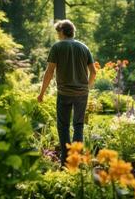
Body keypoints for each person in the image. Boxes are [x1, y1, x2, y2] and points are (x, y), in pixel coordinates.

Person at [37, 19, 96, 166]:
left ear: (62, 32)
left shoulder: (57, 47)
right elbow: (93, 72)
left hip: (64, 93)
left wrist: (41, 93)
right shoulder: (84, 47)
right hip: (82, 93)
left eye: (58, 32)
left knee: (63, 126)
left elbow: (49, 72)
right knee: (78, 125)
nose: (57, 35)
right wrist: (86, 88)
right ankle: (76, 160)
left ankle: (65, 161)